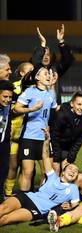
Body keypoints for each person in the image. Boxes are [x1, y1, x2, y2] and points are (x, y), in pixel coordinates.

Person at [0, 128, 79, 227]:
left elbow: (76, 206)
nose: (73, 171)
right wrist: (46, 141)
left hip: (38, 209)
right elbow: (45, 156)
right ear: (63, 172)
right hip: (28, 197)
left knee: (6, 219)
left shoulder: (73, 188)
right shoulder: (52, 176)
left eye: (76, 171)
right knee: (3, 208)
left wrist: (70, 206)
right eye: (71, 168)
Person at [14, 66, 57, 192]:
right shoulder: (30, 92)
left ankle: (41, 199)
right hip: (29, 137)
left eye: (49, 73)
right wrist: (32, 109)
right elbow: (17, 108)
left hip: (44, 138)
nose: (48, 75)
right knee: (28, 171)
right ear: (37, 77)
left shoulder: (51, 93)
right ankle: (23, 199)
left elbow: (51, 113)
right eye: (45, 73)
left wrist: (49, 128)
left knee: (46, 172)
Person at [4, 62, 34, 197]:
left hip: (28, 134)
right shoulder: (13, 88)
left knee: (27, 167)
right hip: (12, 135)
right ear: (22, 73)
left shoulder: (35, 90)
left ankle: (26, 193)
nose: (32, 74)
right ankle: (8, 193)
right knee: (13, 165)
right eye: (29, 71)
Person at [31, 25, 74, 104]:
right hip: (38, 107)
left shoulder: (55, 68)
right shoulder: (35, 70)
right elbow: (34, 62)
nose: (46, 57)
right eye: (43, 55)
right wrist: (43, 44)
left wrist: (61, 42)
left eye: (47, 54)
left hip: (54, 108)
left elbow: (68, 60)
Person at [51, 91, 82, 173]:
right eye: (79, 104)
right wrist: (56, 158)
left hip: (67, 147)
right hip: (54, 145)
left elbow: (79, 142)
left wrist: (70, 158)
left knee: (67, 169)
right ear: (72, 104)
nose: (81, 108)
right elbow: (54, 137)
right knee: (54, 170)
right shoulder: (61, 115)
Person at [0, 80, 14, 203]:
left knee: (3, 171)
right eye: (5, 96)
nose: (7, 99)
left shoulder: (8, 107)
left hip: (4, 145)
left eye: (10, 97)